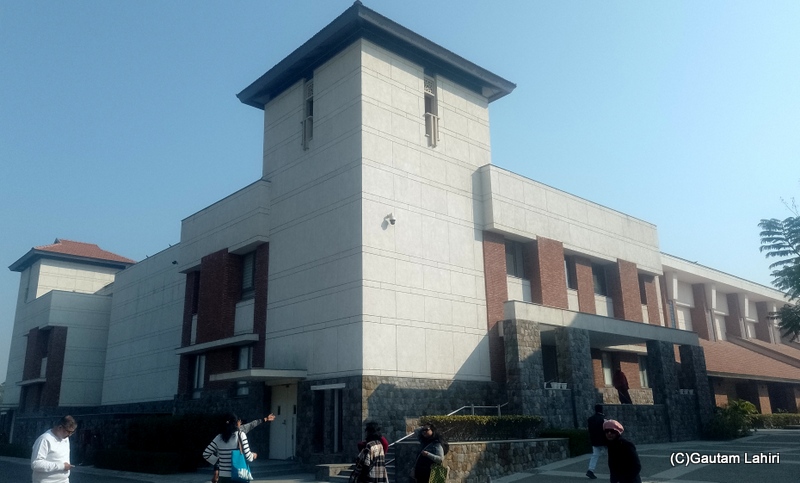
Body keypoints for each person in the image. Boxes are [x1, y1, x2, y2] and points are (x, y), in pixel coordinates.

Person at [203, 412, 256, 483]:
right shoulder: (241, 435)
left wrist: (219, 461)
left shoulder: (219, 437)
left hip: (223, 478)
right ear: (236, 423)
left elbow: (206, 454)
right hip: (238, 475)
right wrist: (253, 455)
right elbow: (248, 457)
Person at [31, 415, 77, 483]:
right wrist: (62, 466)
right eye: (68, 431)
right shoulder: (44, 439)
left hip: (63, 480)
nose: (69, 435)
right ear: (60, 427)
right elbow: (36, 464)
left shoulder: (65, 439)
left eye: (72, 432)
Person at [586, 404, 606, 479]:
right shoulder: (603, 419)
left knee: (595, 455)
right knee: (612, 455)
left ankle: (590, 470)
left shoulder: (590, 419)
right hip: (604, 441)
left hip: (594, 440)